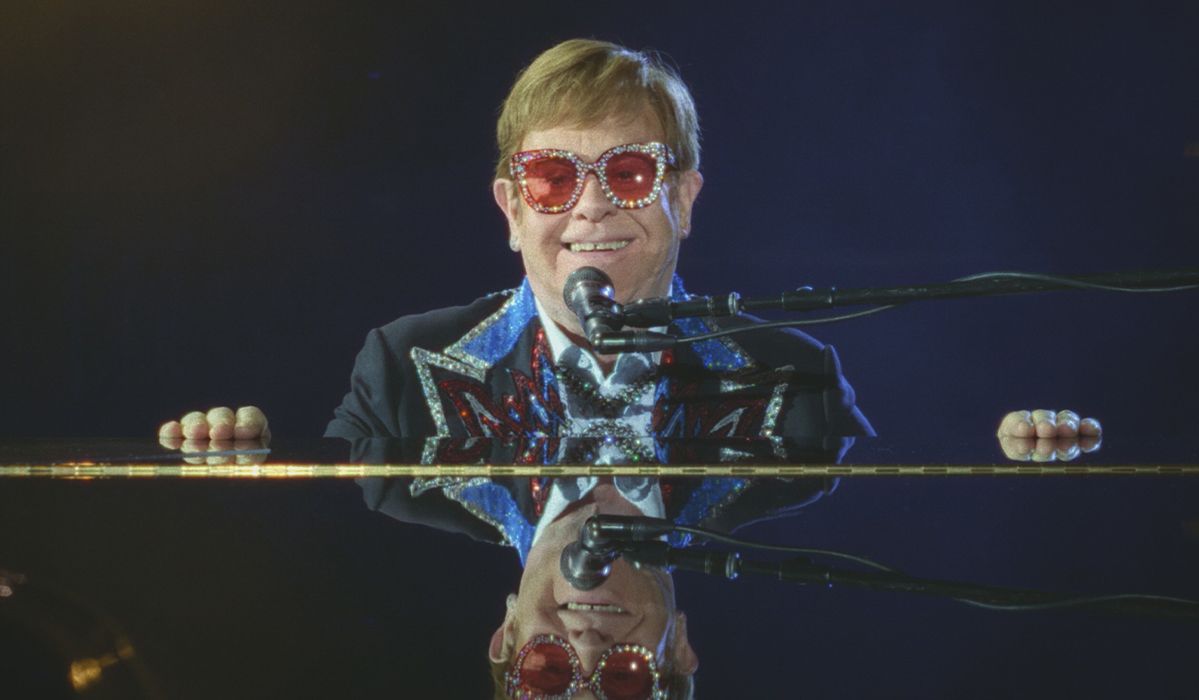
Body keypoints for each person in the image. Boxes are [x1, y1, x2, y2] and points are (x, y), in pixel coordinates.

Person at [158, 38, 1101, 698]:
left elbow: (900, 501)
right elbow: (309, 528)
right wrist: (232, 456)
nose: (592, 209)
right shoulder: (404, 364)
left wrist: (1024, 457)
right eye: (555, 177)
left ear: (685, 197)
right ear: (511, 206)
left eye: (634, 173)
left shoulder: (790, 373)